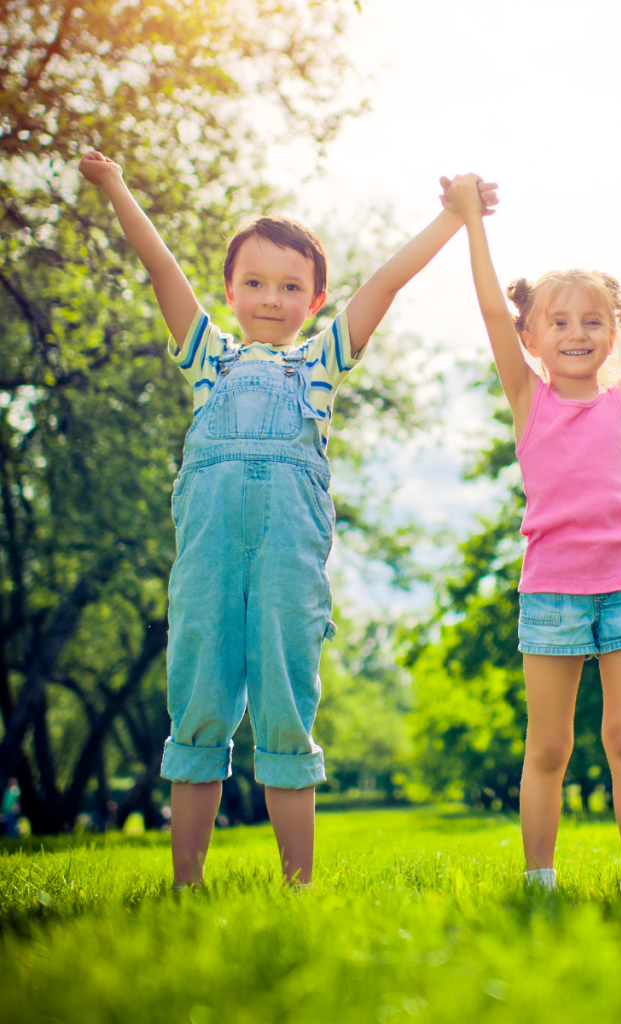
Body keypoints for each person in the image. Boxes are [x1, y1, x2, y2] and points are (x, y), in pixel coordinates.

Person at [79, 151, 497, 888]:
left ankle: (297, 884)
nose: (271, 298)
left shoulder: (322, 365)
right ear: (231, 289)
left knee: (284, 705)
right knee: (199, 702)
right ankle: (186, 884)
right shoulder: (206, 356)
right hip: (208, 559)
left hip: (286, 563)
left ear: (315, 298)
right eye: (255, 283)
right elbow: (160, 266)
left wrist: (452, 216)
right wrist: (115, 184)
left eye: (291, 286)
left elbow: (389, 282)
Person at [443, 173, 621, 893]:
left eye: (592, 322)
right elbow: (485, 302)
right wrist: (473, 219)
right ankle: (540, 881)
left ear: (614, 332)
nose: (576, 333)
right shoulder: (525, 397)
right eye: (559, 322)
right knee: (548, 746)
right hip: (552, 594)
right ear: (531, 336)